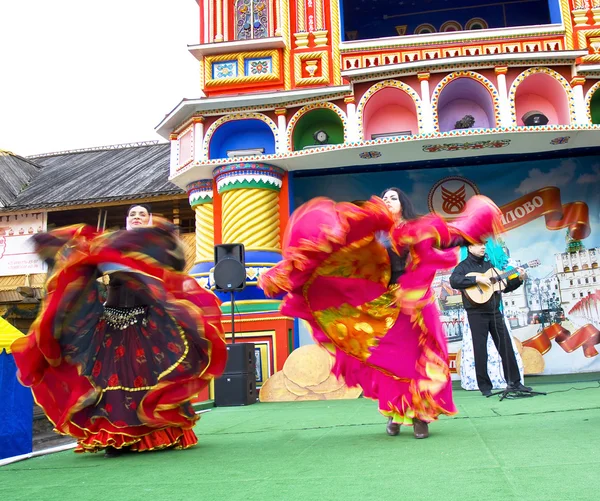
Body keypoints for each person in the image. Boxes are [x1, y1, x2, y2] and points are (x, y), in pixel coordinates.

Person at [259, 189, 504, 439]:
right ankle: (393, 413)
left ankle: (421, 417)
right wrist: (285, 271)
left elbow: (451, 237)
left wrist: (475, 225)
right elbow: (321, 251)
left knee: (421, 359)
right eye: (384, 197)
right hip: (383, 306)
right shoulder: (372, 235)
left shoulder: (417, 229)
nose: (387, 200)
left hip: (416, 305)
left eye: (393, 197)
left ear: (403, 204)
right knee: (391, 361)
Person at [11, 205, 227, 457]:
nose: (137, 217)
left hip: (148, 324)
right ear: (126, 221)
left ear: (148, 221)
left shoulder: (156, 248)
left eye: (142, 215)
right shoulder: (106, 247)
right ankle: (111, 436)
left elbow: (175, 268)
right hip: (110, 323)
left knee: (148, 375)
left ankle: (155, 434)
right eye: (132, 214)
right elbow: (78, 268)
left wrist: (165, 240)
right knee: (108, 379)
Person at [450, 242, 530, 397]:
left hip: (494, 312)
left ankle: (514, 382)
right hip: (476, 314)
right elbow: (454, 281)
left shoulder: (490, 266)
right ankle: (484, 386)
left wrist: (519, 279)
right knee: (480, 350)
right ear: (470, 248)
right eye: (478, 245)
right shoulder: (463, 267)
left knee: (506, 347)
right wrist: (476, 281)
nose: (482, 247)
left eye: (483, 245)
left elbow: (504, 286)